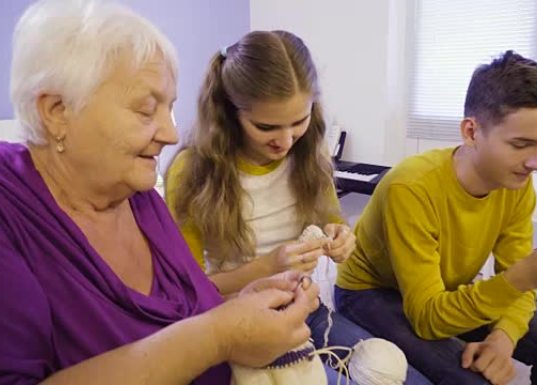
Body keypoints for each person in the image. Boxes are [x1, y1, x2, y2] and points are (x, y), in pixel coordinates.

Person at [0, 1, 321, 384]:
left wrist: (246, 306)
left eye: (170, 109)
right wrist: (219, 335)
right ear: (57, 111)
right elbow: (199, 336)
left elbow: (187, 316)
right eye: (146, 111)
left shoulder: (139, 198)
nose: (171, 134)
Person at [335, 50, 537, 385]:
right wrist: (524, 276)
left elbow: (517, 281)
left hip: (441, 290)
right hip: (371, 292)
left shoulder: (517, 185)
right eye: (521, 144)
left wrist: (504, 337)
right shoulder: (412, 187)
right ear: (472, 132)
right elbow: (428, 318)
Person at [165, 30, 431, 385]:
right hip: (241, 319)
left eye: (299, 121)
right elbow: (190, 295)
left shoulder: (308, 157)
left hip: (306, 307)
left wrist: (341, 239)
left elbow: (332, 221)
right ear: (230, 113)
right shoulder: (192, 172)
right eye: (266, 127)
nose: (287, 140)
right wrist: (266, 267)